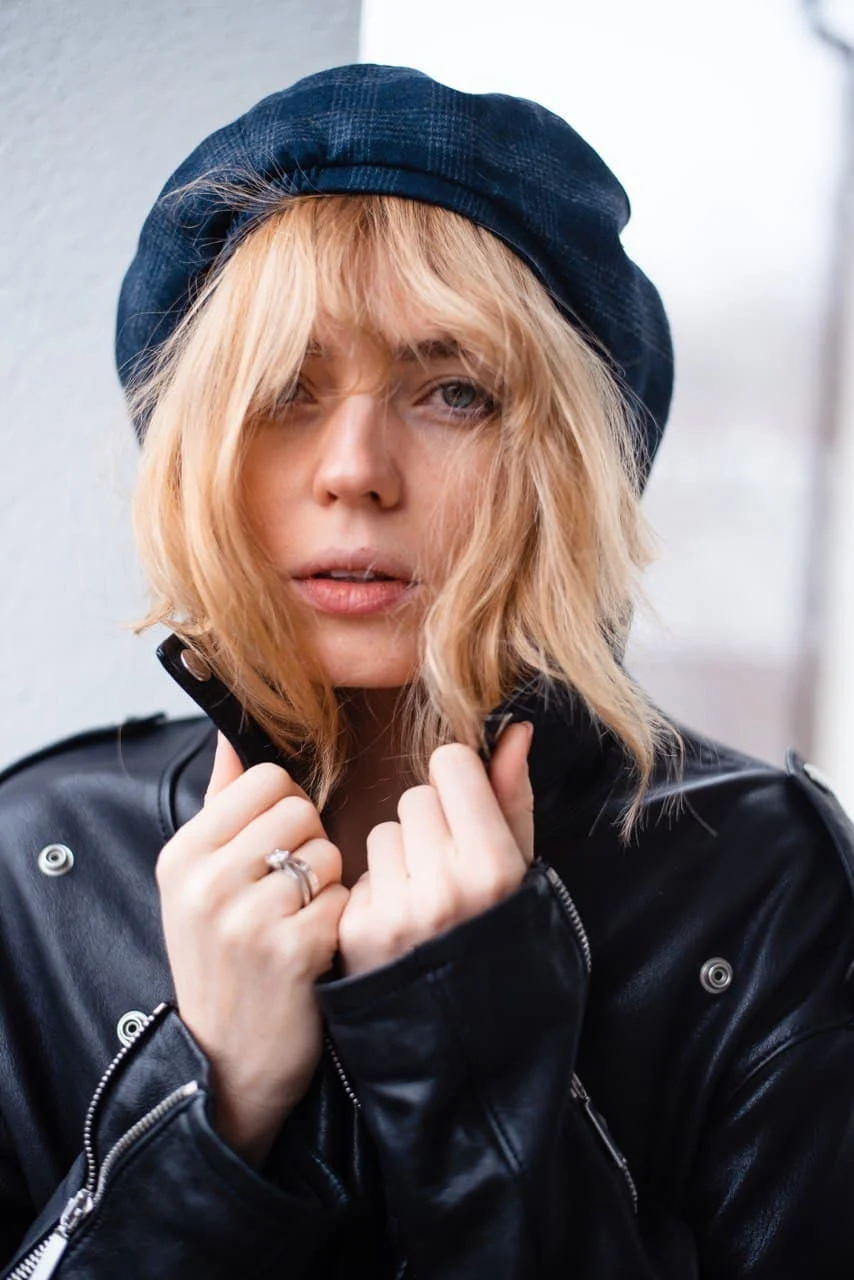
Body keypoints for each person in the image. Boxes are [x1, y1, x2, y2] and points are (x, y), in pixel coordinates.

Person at [1, 61, 853, 1280]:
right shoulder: (38, 859)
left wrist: (477, 1064)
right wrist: (210, 1101)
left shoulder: (758, 873)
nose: (354, 468)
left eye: (454, 390)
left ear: (569, 461)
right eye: (283, 389)